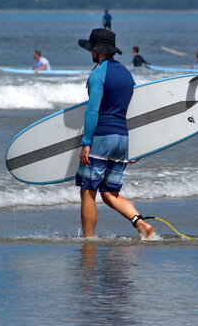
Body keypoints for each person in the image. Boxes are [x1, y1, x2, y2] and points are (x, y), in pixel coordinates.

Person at [76, 28, 154, 239]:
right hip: (122, 138)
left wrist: (86, 142)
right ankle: (141, 225)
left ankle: (88, 239)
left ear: (96, 50)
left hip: (102, 136)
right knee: (110, 193)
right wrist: (137, 147)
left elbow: (93, 111)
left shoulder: (98, 74)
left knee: (88, 190)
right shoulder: (126, 74)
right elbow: (134, 109)